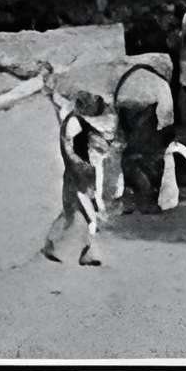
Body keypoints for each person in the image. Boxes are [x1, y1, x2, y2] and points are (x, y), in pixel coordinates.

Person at [42, 67, 116, 267]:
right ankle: (82, 252)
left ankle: (58, 246)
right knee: (89, 220)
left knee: (70, 215)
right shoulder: (76, 127)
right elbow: (77, 154)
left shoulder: (75, 121)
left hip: (78, 177)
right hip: (79, 179)